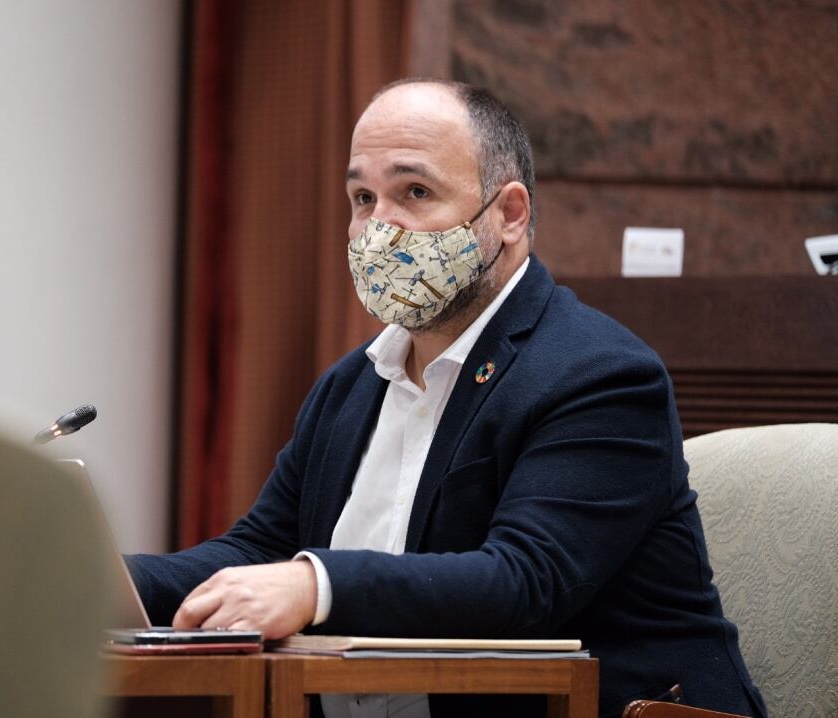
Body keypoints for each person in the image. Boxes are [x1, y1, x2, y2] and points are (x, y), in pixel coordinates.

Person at [127, 79, 766, 717]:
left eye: (415, 192)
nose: (378, 228)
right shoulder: (351, 385)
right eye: (361, 197)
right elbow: (254, 552)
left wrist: (314, 584)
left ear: (509, 215)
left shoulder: (600, 374)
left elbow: (524, 580)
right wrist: (103, 580)